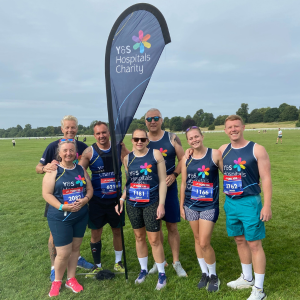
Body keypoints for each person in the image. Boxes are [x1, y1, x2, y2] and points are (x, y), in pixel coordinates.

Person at [219, 115, 272, 300]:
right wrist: (189, 153)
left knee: (254, 244)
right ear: (225, 130)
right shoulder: (222, 150)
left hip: (250, 202)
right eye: (229, 127)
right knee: (240, 240)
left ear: (242, 127)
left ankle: (259, 290)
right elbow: (208, 160)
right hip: (231, 203)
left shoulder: (257, 149)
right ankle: (247, 278)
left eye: (236, 126)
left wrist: (266, 205)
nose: (233, 129)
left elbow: (266, 178)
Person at [36, 115, 93, 282]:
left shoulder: (82, 146)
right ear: (62, 129)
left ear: (77, 128)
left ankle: (77, 258)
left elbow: (85, 167)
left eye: (73, 127)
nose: (70, 130)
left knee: (75, 236)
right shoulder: (53, 146)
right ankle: (55, 266)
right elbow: (38, 168)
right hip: (57, 197)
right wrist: (44, 168)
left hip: (78, 195)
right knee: (55, 235)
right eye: (67, 127)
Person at [116, 129, 168, 290]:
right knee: (139, 237)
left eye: (142, 139)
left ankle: (161, 273)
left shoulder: (156, 154)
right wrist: (122, 199)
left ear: (147, 140)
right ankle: (143, 269)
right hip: (133, 203)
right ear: (132, 141)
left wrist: (161, 204)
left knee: (154, 240)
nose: (139, 142)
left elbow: (162, 181)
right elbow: (128, 183)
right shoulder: (127, 158)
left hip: (151, 202)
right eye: (136, 139)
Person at [42, 139, 93, 297]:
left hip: (80, 215)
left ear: (76, 153)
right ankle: (57, 281)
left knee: (75, 250)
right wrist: (62, 206)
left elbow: (89, 189)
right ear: (59, 153)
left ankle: (71, 279)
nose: (68, 153)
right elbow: (46, 194)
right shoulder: (54, 170)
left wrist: (85, 200)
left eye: (71, 150)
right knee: (63, 253)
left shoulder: (80, 169)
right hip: (60, 217)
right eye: (65, 151)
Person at [79, 121, 125, 277]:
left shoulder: (118, 148)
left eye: (104, 132)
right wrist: (88, 183)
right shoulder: (89, 152)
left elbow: (133, 162)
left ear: (109, 133)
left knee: (117, 231)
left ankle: (118, 263)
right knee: (95, 233)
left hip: (115, 200)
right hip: (97, 200)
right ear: (94, 135)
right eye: (98, 133)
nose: (101, 136)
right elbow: (79, 170)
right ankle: (97, 266)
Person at [145, 108, 187, 277]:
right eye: (149, 118)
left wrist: (175, 174)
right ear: (145, 121)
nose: (152, 121)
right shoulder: (142, 139)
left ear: (161, 120)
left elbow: (183, 159)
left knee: (171, 226)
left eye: (156, 118)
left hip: (169, 188)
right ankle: (160, 261)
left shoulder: (171, 138)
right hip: (149, 190)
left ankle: (176, 262)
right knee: (156, 226)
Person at [180, 126, 222, 292]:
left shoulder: (215, 154)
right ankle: (204, 273)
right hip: (190, 204)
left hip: (209, 205)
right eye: (191, 138)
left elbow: (228, 172)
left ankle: (213, 275)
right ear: (188, 141)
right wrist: (182, 205)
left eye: (196, 136)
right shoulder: (186, 159)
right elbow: (183, 183)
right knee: (197, 239)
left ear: (202, 137)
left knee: (205, 242)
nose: (194, 140)